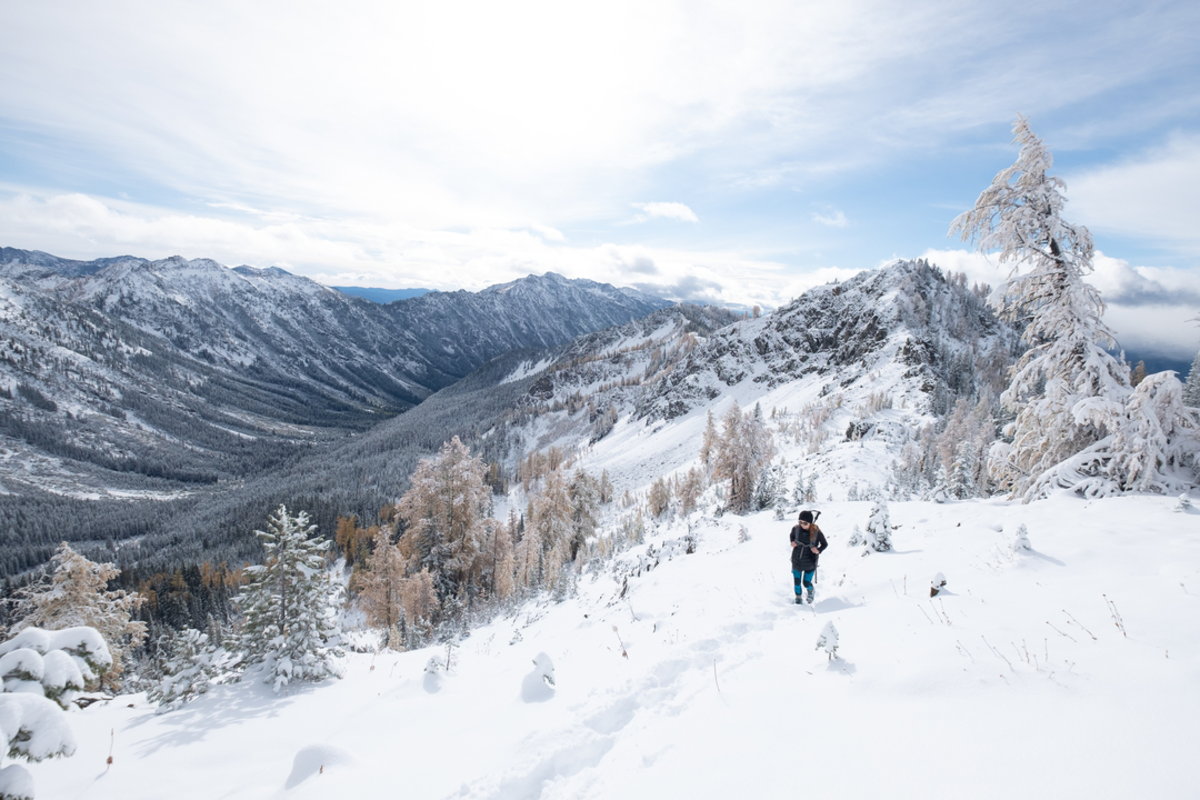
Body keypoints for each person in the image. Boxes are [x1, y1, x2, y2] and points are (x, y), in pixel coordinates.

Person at [790, 510, 827, 604]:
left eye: (805, 523)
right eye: (800, 522)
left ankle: (811, 591)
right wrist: (792, 542)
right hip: (797, 561)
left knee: (806, 583)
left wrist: (819, 550)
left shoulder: (816, 533)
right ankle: (798, 598)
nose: (802, 524)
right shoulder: (796, 529)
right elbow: (791, 536)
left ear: (810, 523)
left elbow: (824, 544)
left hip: (810, 562)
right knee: (797, 583)